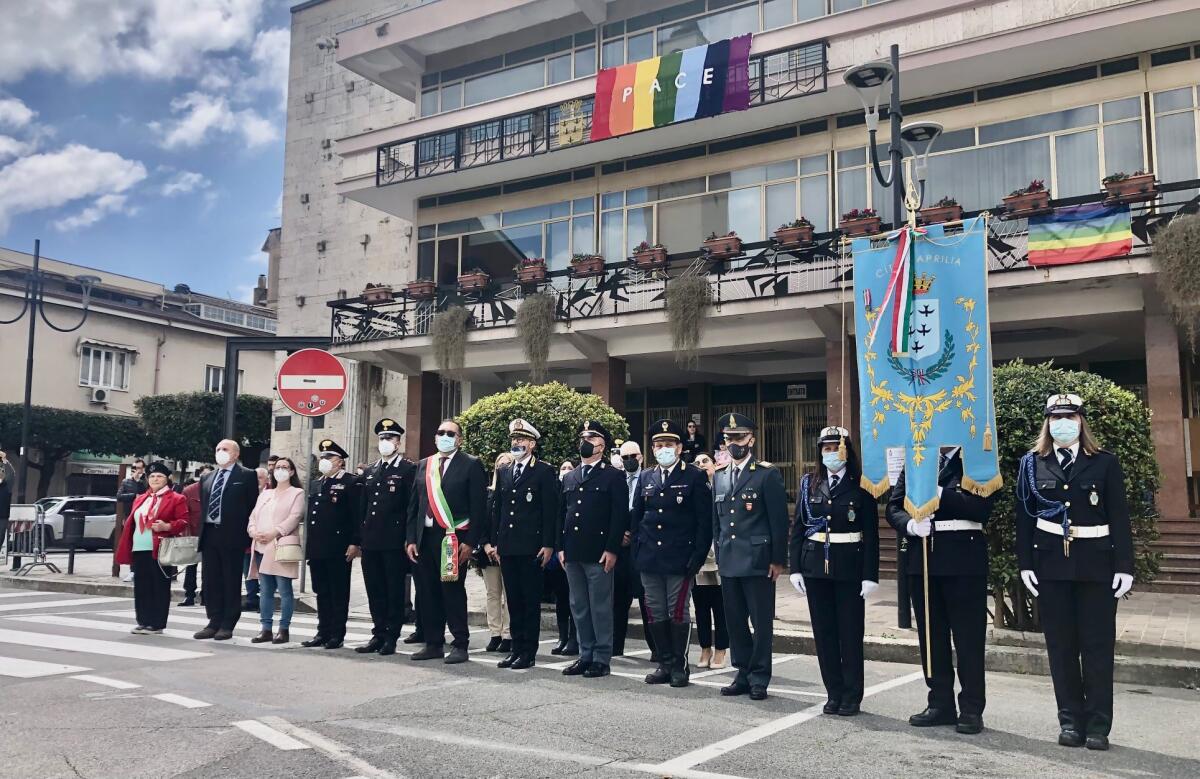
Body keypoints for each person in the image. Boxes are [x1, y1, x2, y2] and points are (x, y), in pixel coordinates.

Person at [1016, 393, 1134, 751]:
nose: (1062, 424)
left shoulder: (1104, 463)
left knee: (1097, 649)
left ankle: (1098, 726)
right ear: (1047, 424)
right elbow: (1024, 518)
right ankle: (1070, 722)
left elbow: (1120, 517)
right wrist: (1025, 564)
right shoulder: (1032, 464)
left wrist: (1125, 567)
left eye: (1069, 417)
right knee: (1061, 649)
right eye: (1055, 418)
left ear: (1081, 421)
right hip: (1051, 567)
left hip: (1097, 566)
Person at [887, 442, 995, 734]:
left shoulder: (976, 461)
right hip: (923, 560)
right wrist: (908, 525)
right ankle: (940, 703)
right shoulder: (917, 462)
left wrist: (941, 495)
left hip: (963, 562)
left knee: (968, 639)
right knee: (931, 638)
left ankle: (972, 708)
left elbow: (982, 508)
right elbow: (894, 506)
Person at [790, 427, 879, 716]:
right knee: (825, 635)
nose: (831, 454)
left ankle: (852, 695)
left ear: (847, 452)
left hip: (850, 568)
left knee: (850, 635)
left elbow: (871, 534)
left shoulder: (862, 486)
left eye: (835, 449)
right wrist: (795, 568)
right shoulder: (809, 484)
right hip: (815, 567)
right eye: (826, 449)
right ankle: (834, 693)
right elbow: (799, 529)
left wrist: (870, 575)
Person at [710, 413, 788, 701]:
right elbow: (716, 521)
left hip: (758, 560)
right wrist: (719, 552)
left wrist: (778, 559)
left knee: (761, 622)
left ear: (752, 439)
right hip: (730, 559)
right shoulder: (719, 476)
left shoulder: (767, 473)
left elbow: (779, 521)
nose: (734, 443)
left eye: (739, 438)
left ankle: (759, 676)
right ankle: (742, 672)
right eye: (729, 439)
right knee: (735, 622)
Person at [632, 419, 712, 688]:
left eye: (668, 444)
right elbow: (637, 518)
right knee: (655, 611)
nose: (662, 449)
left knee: (677, 611)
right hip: (650, 558)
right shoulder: (646, 476)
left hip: (680, 557)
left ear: (679, 447)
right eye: (658, 445)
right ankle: (664, 663)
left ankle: (680, 664)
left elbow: (704, 522)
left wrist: (698, 557)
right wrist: (636, 552)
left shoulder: (694, 476)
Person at [406, 419, 487, 664]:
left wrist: (471, 543)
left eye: (450, 433)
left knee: (451, 590)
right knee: (427, 592)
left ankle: (460, 643)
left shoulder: (471, 465)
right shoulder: (424, 465)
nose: (444, 436)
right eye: (440, 432)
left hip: (453, 539)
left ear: (459, 439)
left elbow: (479, 508)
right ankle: (433, 643)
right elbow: (414, 506)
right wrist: (411, 538)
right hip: (425, 539)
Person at [484, 419, 560, 670]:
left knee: (529, 601)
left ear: (532, 444)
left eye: (522, 439)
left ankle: (528, 651)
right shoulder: (505, 471)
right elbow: (499, 509)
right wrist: (494, 541)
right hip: (508, 546)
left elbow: (551, 511)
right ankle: (515, 648)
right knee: (513, 601)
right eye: (514, 440)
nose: (517, 443)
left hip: (532, 547)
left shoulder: (544, 471)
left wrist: (548, 544)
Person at [560, 420, 628, 679]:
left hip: (599, 552)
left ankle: (601, 657)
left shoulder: (613, 475)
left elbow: (618, 516)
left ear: (602, 445)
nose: (585, 443)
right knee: (579, 605)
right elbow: (562, 514)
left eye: (592, 438)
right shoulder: (570, 476)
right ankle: (585, 654)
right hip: (573, 551)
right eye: (583, 438)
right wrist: (561, 547)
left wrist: (612, 549)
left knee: (600, 606)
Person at [358, 419, 416, 656]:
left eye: (390, 438)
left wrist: (408, 537)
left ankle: (391, 636)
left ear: (398, 443)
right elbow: (364, 507)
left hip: (394, 541)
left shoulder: (407, 469)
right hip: (371, 540)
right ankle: (378, 632)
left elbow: (411, 507)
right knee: (375, 590)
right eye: (382, 438)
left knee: (393, 590)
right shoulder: (371, 471)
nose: (385, 442)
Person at [195, 439, 260, 641]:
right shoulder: (207, 478)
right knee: (211, 580)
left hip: (232, 535)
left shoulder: (247, 475)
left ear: (236, 454)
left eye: (225, 449)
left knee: (230, 579)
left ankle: (227, 623)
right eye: (218, 449)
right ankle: (213, 620)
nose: (220, 452)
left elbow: (252, 506)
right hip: (210, 533)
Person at [114, 462, 189, 634]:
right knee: (141, 585)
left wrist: (167, 527)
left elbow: (184, 522)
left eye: (160, 476)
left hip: (160, 547)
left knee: (159, 585)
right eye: (152, 476)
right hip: (139, 546)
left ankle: (157, 623)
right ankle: (143, 620)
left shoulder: (177, 498)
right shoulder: (141, 498)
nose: (155, 479)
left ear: (167, 479)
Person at [305, 440, 363, 650]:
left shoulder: (351, 482)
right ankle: (323, 631)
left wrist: (355, 542)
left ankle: (336, 634)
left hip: (339, 547)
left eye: (328, 458)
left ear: (339, 461)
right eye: (322, 457)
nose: (324, 461)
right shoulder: (317, 483)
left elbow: (356, 515)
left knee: (338, 592)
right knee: (322, 591)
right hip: (318, 547)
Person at [247, 457, 305, 644]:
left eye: (285, 467)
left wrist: (274, 533)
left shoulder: (297, 492)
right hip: (261, 545)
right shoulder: (265, 494)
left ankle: (284, 629)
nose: (280, 470)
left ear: (292, 472)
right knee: (265, 590)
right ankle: (266, 628)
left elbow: (294, 517)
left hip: (280, 545)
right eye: (277, 467)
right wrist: (254, 532)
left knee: (284, 589)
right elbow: (253, 516)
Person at [613, 439, 656, 660]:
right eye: (625, 457)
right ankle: (615, 647)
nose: (630, 461)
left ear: (641, 457)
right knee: (618, 600)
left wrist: (634, 534)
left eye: (633, 457)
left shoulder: (649, 478)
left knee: (646, 601)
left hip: (641, 547)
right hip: (620, 550)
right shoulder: (617, 479)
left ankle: (656, 650)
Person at [690, 452, 726, 670]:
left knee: (720, 607)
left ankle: (721, 649)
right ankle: (705, 647)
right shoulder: (694, 489)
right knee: (701, 607)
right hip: (699, 558)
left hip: (720, 556)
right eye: (697, 462)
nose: (701, 465)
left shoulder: (722, 487)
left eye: (705, 461)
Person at [478, 452, 514, 654]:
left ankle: (508, 634)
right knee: (492, 594)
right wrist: (486, 546)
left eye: (507, 464)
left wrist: (500, 546)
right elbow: (480, 521)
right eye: (499, 465)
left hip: (506, 550)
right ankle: (495, 633)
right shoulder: (488, 493)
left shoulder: (511, 491)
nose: (503, 467)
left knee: (509, 596)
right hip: (488, 551)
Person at [179, 465, 212, 607]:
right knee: (191, 565)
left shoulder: (218, 490)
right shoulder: (189, 491)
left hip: (211, 534)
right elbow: (183, 513)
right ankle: (189, 595)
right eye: (205, 474)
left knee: (209, 567)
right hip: (193, 533)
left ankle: (206, 595)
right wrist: (185, 534)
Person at [113, 458, 147, 578]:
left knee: (142, 544)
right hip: (130, 515)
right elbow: (119, 496)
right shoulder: (126, 481)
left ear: (143, 469)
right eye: (134, 468)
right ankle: (132, 570)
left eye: (138, 468)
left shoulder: (146, 481)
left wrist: (138, 482)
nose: (136, 471)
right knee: (131, 543)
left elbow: (146, 494)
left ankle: (141, 570)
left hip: (144, 516)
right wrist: (133, 496)